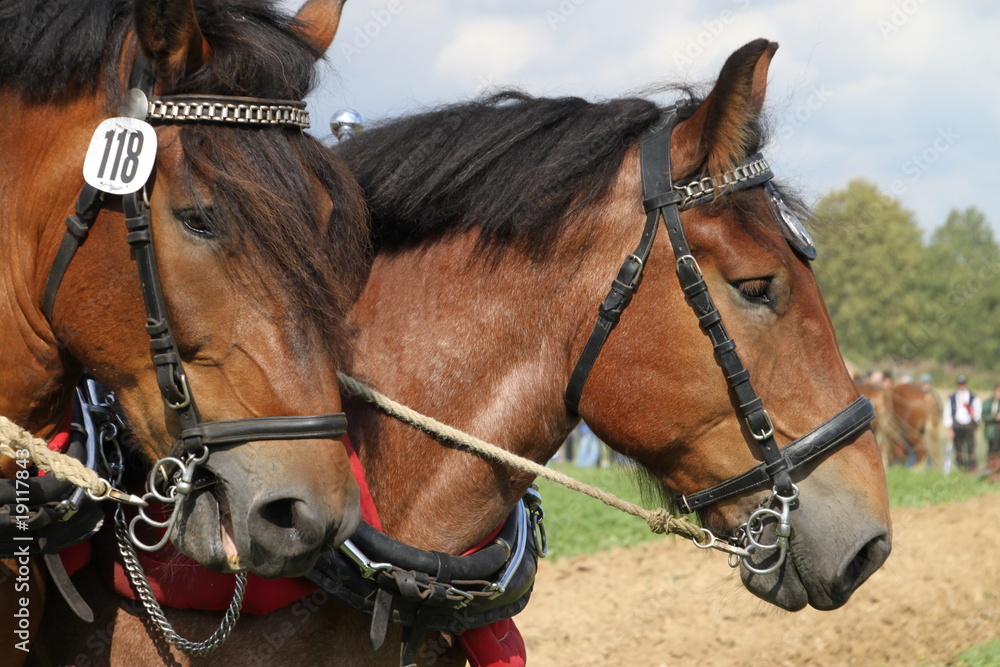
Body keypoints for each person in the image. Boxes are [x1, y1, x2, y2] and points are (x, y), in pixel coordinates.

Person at [943, 375, 982, 472]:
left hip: (969, 425)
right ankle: (961, 468)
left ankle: (971, 468)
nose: (961, 386)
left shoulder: (973, 397)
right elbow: (947, 413)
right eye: (960, 384)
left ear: (966, 384)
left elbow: (977, 411)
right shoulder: (952, 397)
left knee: (970, 447)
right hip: (957, 425)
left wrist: (976, 420)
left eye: (963, 383)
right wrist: (949, 428)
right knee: (958, 448)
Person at [983, 384, 1000, 473]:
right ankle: (990, 470)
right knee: (993, 451)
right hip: (992, 430)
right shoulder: (988, 403)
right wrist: (994, 417)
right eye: (998, 391)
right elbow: (984, 416)